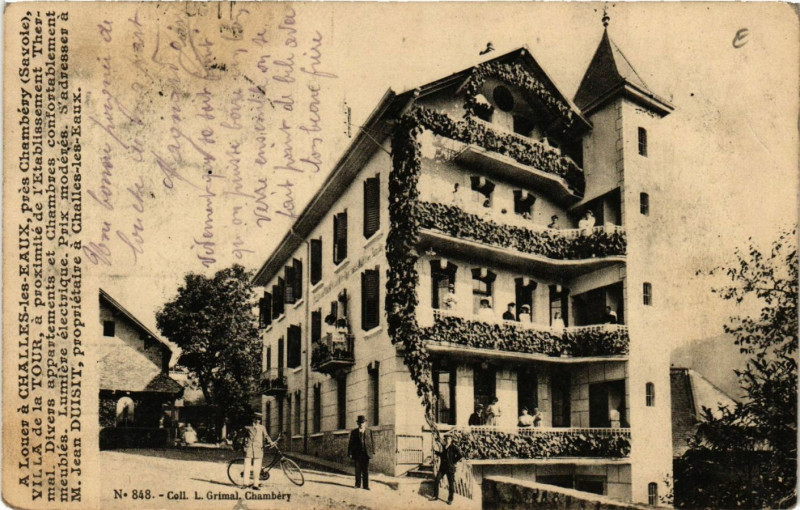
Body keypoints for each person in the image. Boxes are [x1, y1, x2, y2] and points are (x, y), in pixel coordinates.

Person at [242, 413, 274, 490]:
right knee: (247, 466)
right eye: (255, 419)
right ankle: (245, 483)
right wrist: (244, 446)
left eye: (259, 419)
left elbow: (266, 436)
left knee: (257, 468)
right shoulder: (247, 427)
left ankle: (255, 484)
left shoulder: (262, 428)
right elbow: (243, 437)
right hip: (249, 449)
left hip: (258, 449)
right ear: (253, 419)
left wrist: (270, 442)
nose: (257, 421)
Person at [430, 434, 463, 505]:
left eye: (448, 438)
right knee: (437, 480)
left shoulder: (454, 447)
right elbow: (443, 455)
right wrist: (436, 452)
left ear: (451, 439)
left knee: (451, 484)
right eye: (446, 439)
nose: (447, 440)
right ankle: (435, 496)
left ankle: (450, 499)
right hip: (443, 468)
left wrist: (453, 461)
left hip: (450, 468)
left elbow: (460, 455)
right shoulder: (444, 447)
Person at [347, 415, 375, 490]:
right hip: (357, 453)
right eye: (360, 423)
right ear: (357, 424)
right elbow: (351, 443)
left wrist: (373, 451)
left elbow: (372, 441)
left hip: (366, 453)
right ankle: (357, 484)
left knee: (365, 470)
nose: (361, 424)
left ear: (365, 423)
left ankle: (366, 486)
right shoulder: (354, 432)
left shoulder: (369, 431)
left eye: (362, 423)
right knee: (357, 469)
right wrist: (350, 453)